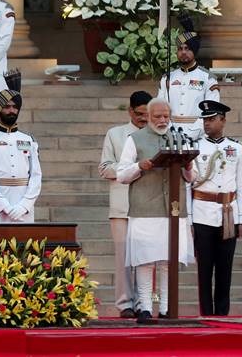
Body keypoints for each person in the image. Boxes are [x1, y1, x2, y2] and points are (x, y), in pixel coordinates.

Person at [117, 98, 194, 322]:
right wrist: (138, 166)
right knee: (145, 260)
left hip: (174, 208)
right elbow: (121, 175)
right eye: (157, 116)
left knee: (167, 261)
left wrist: (188, 167)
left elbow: (192, 178)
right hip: (145, 208)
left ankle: (168, 308)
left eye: (165, 116)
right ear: (148, 117)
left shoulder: (180, 137)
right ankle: (145, 307)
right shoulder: (135, 139)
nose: (162, 121)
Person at [189, 100, 242, 316]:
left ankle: (222, 314)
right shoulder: (195, 147)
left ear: (223, 120)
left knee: (225, 268)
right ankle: (206, 313)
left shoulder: (236, 148)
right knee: (204, 269)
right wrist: (189, 220)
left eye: (212, 119)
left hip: (228, 213)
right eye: (205, 119)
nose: (207, 123)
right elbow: (189, 186)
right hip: (202, 212)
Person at [98, 90, 152, 318]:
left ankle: (145, 304)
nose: (144, 119)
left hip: (150, 206)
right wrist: (130, 169)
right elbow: (104, 168)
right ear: (130, 111)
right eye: (140, 114)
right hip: (122, 205)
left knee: (147, 258)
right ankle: (124, 304)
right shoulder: (115, 134)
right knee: (123, 258)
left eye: (147, 114)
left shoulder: (157, 134)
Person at [157, 15, 219, 140]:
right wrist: (169, 130)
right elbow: (159, 107)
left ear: (194, 51)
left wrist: (193, 132)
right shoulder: (167, 78)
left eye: (187, 48)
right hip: (169, 134)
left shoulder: (208, 78)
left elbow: (211, 111)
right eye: (180, 49)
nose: (183, 52)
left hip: (199, 136)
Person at [0, 90, 42, 223]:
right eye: (7, 107)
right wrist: (4, 206)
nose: (11, 110)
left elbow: (36, 175)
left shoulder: (28, 139)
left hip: (24, 205)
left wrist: (24, 205)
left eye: (14, 107)